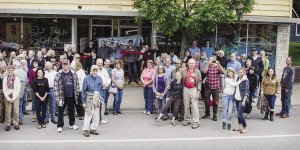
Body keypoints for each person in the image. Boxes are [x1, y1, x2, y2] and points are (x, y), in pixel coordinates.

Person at [54, 59, 80, 133]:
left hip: (71, 95)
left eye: (66, 64)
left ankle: (72, 124)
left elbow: (77, 84)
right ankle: (60, 126)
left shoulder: (73, 73)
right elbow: (55, 86)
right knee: (60, 111)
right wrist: (58, 98)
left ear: (69, 65)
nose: (65, 65)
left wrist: (77, 93)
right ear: (62, 65)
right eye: (63, 64)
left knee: (71, 110)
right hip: (62, 96)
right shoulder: (58, 74)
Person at [81, 65, 103, 137]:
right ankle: (85, 129)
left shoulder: (99, 78)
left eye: (96, 70)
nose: (95, 71)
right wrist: (83, 102)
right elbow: (83, 91)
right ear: (91, 70)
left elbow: (101, 89)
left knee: (96, 115)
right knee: (88, 114)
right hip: (89, 98)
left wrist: (100, 98)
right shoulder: (86, 78)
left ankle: (93, 128)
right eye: (93, 70)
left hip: (97, 98)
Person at [181, 59, 202, 129]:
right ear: (187, 63)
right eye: (190, 63)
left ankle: (196, 122)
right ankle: (187, 120)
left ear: (195, 64)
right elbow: (180, 79)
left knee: (195, 106)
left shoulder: (197, 71)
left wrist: (198, 92)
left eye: (192, 63)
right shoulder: (184, 71)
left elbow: (199, 82)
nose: (191, 64)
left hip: (194, 89)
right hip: (186, 89)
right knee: (186, 106)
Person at [202, 57, 224, 121]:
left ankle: (215, 115)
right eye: (210, 60)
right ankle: (207, 113)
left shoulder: (217, 67)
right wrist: (209, 63)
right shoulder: (208, 66)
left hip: (216, 87)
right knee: (206, 101)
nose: (212, 61)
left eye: (213, 60)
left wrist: (219, 64)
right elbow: (204, 71)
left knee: (215, 102)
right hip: (208, 86)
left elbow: (223, 72)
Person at [3, 65, 21, 131]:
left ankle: (16, 123)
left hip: (15, 96)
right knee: (8, 111)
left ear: (13, 71)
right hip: (7, 96)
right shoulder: (5, 79)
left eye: (11, 70)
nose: (10, 71)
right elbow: (4, 89)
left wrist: (13, 98)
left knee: (16, 110)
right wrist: (8, 98)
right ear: (7, 71)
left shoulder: (17, 78)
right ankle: (7, 124)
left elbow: (18, 89)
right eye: (9, 70)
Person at [233, 68, 249, 134]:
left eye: (241, 72)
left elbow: (246, 92)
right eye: (239, 72)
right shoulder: (237, 78)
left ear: (244, 73)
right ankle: (239, 126)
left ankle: (245, 127)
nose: (240, 73)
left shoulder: (245, 80)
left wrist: (244, 101)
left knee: (240, 114)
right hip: (236, 98)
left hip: (242, 99)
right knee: (238, 113)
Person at [96, 58, 110, 123]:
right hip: (97, 90)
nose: (100, 64)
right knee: (97, 105)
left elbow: (108, 78)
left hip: (104, 89)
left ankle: (101, 118)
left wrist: (108, 83)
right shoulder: (94, 70)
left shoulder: (104, 70)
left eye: (101, 63)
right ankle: (96, 119)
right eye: (99, 63)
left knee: (102, 104)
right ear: (96, 63)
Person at [13, 61, 27, 125]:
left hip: (15, 92)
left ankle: (15, 120)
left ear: (15, 66)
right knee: (20, 106)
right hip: (22, 92)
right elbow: (26, 82)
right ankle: (20, 119)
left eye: (13, 65)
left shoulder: (14, 72)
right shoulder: (24, 72)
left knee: (15, 106)